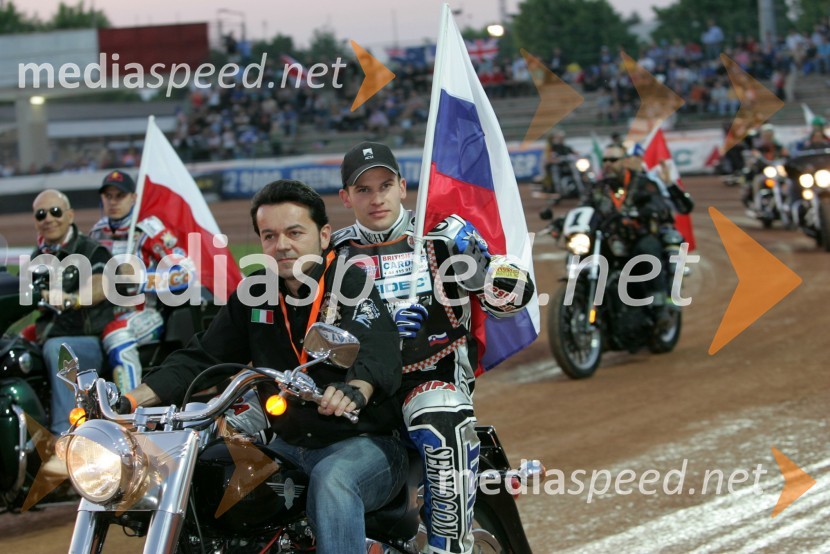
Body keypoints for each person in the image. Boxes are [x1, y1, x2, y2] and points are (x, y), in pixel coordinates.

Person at [124, 180, 407, 553]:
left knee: (332, 480)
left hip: (365, 445)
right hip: (288, 443)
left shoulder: (349, 282)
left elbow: (379, 350)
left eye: (294, 232)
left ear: (323, 236)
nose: (282, 246)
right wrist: (131, 400)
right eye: (269, 236)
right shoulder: (256, 292)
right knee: (207, 474)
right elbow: (204, 357)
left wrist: (356, 389)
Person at [333, 141, 535, 554]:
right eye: (364, 190)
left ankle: (449, 546)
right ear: (345, 197)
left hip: (432, 376)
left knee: (441, 412)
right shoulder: (334, 252)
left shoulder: (444, 235)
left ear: (403, 187)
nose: (377, 198)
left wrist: (505, 282)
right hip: (362, 385)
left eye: (385, 185)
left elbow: (503, 297)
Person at [88, 170, 195, 393]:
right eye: (108, 196)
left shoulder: (149, 231)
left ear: (133, 198)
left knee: (117, 334)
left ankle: (129, 408)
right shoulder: (96, 233)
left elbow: (186, 273)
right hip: (101, 314)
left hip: (145, 313)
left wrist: (141, 278)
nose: (113, 201)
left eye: (120, 196)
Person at [28, 190, 113, 438]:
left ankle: (64, 436)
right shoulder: (36, 258)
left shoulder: (90, 250)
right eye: (41, 214)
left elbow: (102, 284)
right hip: (48, 336)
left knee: (58, 350)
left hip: (85, 339)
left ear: (70, 215)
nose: (48, 219)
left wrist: (73, 299)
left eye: (55, 212)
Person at [588, 145, 678, 327]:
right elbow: (585, 207)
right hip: (612, 239)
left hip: (638, 236)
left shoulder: (643, 184)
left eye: (613, 160)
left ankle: (660, 307)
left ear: (625, 162)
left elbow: (659, 206)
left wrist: (644, 211)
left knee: (647, 250)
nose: (607, 164)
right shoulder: (599, 188)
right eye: (604, 160)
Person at [543, 128, 577, 195]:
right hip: (558, 167)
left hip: (568, 166)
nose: (561, 139)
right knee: (555, 170)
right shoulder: (552, 148)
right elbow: (549, 159)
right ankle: (558, 191)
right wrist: (556, 160)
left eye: (562, 138)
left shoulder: (567, 147)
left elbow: (576, 154)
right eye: (559, 138)